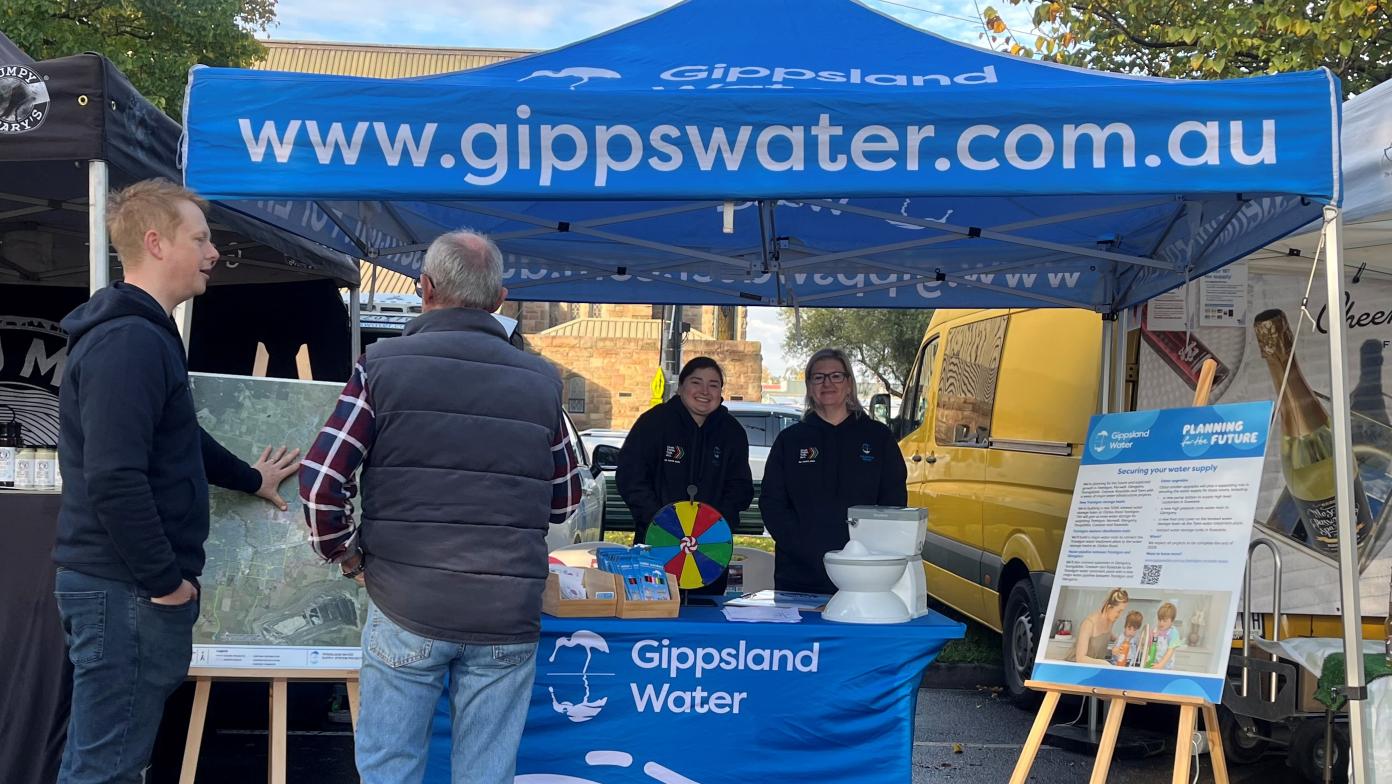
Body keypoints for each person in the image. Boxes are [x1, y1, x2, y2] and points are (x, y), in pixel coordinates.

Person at [299, 229, 582, 784]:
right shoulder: (542, 382)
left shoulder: (381, 366)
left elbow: (320, 481)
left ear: (424, 288)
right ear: (500, 299)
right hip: (505, 611)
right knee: (485, 774)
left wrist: (348, 557)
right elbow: (566, 498)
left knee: (390, 768)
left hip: (407, 600)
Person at [53, 179, 301, 784]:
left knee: (109, 760)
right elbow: (114, 479)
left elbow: (178, 437)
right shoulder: (128, 342)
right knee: (106, 769)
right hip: (128, 591)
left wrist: (249, 477)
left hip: (125, 590)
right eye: (201, 239)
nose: (214, 253)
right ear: (157, 243)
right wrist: (165, 584)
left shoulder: (143, 335)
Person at [760, 348, 907, 594]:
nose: (827, 383)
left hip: (864, 572)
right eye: (818, 377)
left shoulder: (878, 437)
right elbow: (772, 503)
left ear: (849, 383)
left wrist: (869, 549)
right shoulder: (791, 440)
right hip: (800, 574)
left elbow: (893, 501)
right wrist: (801, 545)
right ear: (809, 386)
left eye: (836, 376)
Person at [616, 356, 754, 595]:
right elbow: (631, 477)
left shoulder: (732, 432)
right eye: (696, 382)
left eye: (713, 385)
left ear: (721, 391)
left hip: (709, 550)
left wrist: (715, 524)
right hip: (655, 544)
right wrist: (662, 522)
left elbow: (740, 487)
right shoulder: (654, 422)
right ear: (681, 387)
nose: (704, 391)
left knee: (705, 623)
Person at [1066, 588, 1129, 665]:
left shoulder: (1110, 621)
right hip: (1075, 668)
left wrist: (1122, 640)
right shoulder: (1089, 624)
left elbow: (1106, 635)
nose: (1119, 615)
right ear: (1109, 607)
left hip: (1093, 669)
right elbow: (1080, 658)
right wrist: (1105, 663)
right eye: (1118, 611)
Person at [1148, 602, 1182, 670]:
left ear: (1172, 621)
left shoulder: (1173, 632)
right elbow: (1149, 648)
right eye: (1159, 620)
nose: (1161, 623)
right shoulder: (1155, 630)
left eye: (1164, 620)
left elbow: (1170, 651)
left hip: (1166, 668)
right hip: (1153, 666)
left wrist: (1161, 665)